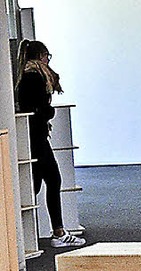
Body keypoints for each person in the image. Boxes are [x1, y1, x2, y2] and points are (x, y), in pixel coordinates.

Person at [16, 39, 86, 249]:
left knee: (36, 185)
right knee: (51, 181)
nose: (48, 60)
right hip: (37, 138)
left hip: (33, 138)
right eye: (47, 56)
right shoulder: (34, 78)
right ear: (40, 56)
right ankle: (58, 232)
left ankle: (47, 231)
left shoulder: (27, 77)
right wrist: (49, 111)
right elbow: (38, 110)